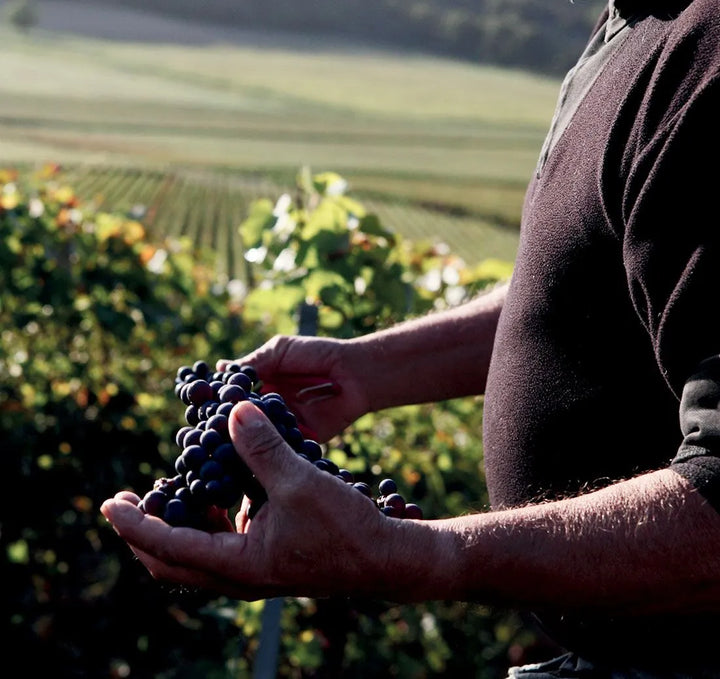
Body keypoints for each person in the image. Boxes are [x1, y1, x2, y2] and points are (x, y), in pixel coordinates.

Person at [101, 0, 720, 675]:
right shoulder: (636, 26)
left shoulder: (708, 55)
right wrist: (367, 370)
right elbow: (590, 287)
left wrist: (411, 554)